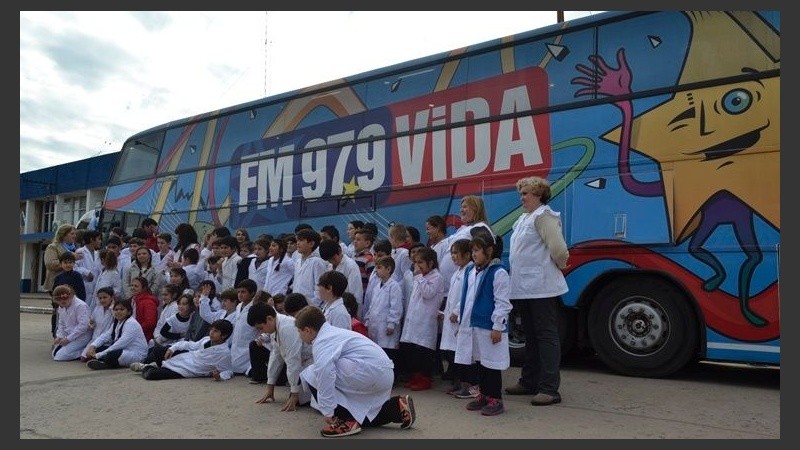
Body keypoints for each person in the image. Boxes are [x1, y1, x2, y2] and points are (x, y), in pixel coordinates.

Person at [295, 306, 417, 437]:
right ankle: (397, 408)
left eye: (299, 332)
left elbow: (325, 374)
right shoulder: (333, 332)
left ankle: (346, 421)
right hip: (383, 373)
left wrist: (328, 411)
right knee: (362, 415)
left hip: (370, 373)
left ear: (308, 330)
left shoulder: (322, 341)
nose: (299, 335)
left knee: (312, 373)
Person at [505, 176, 569, 406]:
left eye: (526, 193)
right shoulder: (524, 218)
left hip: (542, 287)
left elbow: (559, 249)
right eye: (521, 193)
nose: (522, 197)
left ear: (539, 195)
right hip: (525, 288)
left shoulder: (544, 216)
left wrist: (560, 266)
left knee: (546, 336)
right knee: (531, 335)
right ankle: (528, 381)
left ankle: (550, 389)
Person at [453, 234, 512, 416]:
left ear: (489, 251)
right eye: (472, 250)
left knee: (491, 365)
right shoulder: (472, 271)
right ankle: (484, 395)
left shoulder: (498, 273)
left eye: (477, 250)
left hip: (489, 327)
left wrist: (497, 327)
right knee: (479, 362)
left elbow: (502, 302)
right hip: (472, 325)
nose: (474, 254)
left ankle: (495, 398)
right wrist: (459, 315)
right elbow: (467, 297)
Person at [248, 301, 312, 410]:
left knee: (300, 400)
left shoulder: (287, 328)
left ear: (269, 319)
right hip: (303, 362)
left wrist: (294, 394)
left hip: (312, 361)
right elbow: (275, 356)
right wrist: (270, 387)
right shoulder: (276, 325)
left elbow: (293, 361)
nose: (260, 332)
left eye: (260, 328)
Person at [399, 246, 443, 391]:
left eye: (421, 263)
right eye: (416, 263)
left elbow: (428, 293)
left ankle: (425, 379)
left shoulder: (436, 277)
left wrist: (418, 277)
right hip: (415, 320)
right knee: (413, 352)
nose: (417, 267)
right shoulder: (421, 277)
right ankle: (415, 376)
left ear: (431, 264)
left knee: (423, 353)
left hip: (426, 322)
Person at [441, 238, 479, 397]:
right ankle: (459, 382)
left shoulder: (470, 272)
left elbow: (467, 295)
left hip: (461, 318)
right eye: (452, 253)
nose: (453, 257)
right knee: (453, 354)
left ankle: (470, 386)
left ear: (467, 254)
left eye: (456, 253)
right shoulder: (459, 271)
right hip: (452, 319)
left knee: (465, 354)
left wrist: (457, 311)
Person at [138, 319, 234, 381]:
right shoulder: (206, 340)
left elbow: (228, 370)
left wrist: (219, 376)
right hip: (186, 358)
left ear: (224, 335)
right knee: (158, 350)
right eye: (211, 330)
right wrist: (173, 348)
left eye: (216, 331)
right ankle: (155, 365)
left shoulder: (224, 352)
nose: (211, 333)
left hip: (188, 370)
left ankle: (145, 367)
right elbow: (190, 345)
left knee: (151, 375)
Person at [363, 255, 404, 378]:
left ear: (388, 269)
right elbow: (373, 305)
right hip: (375, 324)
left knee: (388, 353)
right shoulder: (377, 286)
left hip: (387, 326)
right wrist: (367, 319)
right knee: (378, 353)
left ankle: (391, 378)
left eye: (379, 267)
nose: (376, 270)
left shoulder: (394, 286)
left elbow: (396, 307)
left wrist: (392, 323)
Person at [85, 299, 149, 370]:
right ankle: (105, 361)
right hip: (123, 350)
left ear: (129, 312)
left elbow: (120, 344)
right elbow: (106, 336)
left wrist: (98, 355)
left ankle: (105, 363)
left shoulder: (131, 323)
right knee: (98, 349)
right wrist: (93, 346)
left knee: (112, 354)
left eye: (122, 309)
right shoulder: (117, 322)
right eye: (116, 309)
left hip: (135, 354)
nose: (118, 312)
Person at [44, 223, 82, 337]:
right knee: (59, 311)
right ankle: (56, 335)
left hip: (73, 283)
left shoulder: (76, 247)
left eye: (75, 233)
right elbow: (50, 264)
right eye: (72, 233)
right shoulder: (53, 247)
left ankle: (70, 334)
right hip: (58, 283)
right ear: (63, 235)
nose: (74, 236)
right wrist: (69, 260)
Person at [51, 284, 92, 361]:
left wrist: (68, 339)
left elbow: (83, 326)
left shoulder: (80, 306)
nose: (62, 304)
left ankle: (84, 352)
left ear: (71, 296)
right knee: (54, 353)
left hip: (82, 336)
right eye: (59, 302)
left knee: (60, 356)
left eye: (64, 302)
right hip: (69, 335)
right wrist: (59, 336)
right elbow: (61, 323)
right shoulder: (61, 307)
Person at [293, 229, 328, 308]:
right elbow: (296, 284)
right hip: (297, 305)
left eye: (301, 240)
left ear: (311, 244)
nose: (297, 243)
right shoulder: (298, 262)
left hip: (311, 307)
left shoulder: (317, 262)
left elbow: (319, 288)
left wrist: (312, 305)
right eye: (297, 240)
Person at [81, 286, 116, 362]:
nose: (102, 300)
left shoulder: (115, 310)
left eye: (105, 297)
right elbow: (92, 321)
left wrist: (112, 308)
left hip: (108, 341)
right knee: (83, 358)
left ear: (112, 297)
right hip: (95, 338)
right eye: (100, 298)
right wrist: (91, 324)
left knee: (93, 356)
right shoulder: (98, 308)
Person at [129, 276, 159, 342]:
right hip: (132, 336)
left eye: (136, 286)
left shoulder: (149, 302)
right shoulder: (132, 300)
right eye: (132, 285)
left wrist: (135, 332)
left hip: (143, 338)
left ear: (144, 288)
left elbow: (150, 323)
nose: (133, 288)